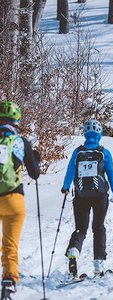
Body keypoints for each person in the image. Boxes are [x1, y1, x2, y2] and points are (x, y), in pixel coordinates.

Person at [61, 119, 113, 279]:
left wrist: (65, 186)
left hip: (81, 195)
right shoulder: (104, 153)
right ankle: (98, 263)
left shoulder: (78, 152)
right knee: (98, 227)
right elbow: (112, 177)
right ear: (100, 134)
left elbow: (70, 171)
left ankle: (74, 250)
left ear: (85, 133)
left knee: (80, 229)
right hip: (100, 196)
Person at [0, 102, 40, 298]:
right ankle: (8, 280)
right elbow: (34, 173)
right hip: (14, 198)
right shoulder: (20, 141)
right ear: (16, 120)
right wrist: (36, 159)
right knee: (10, 243)